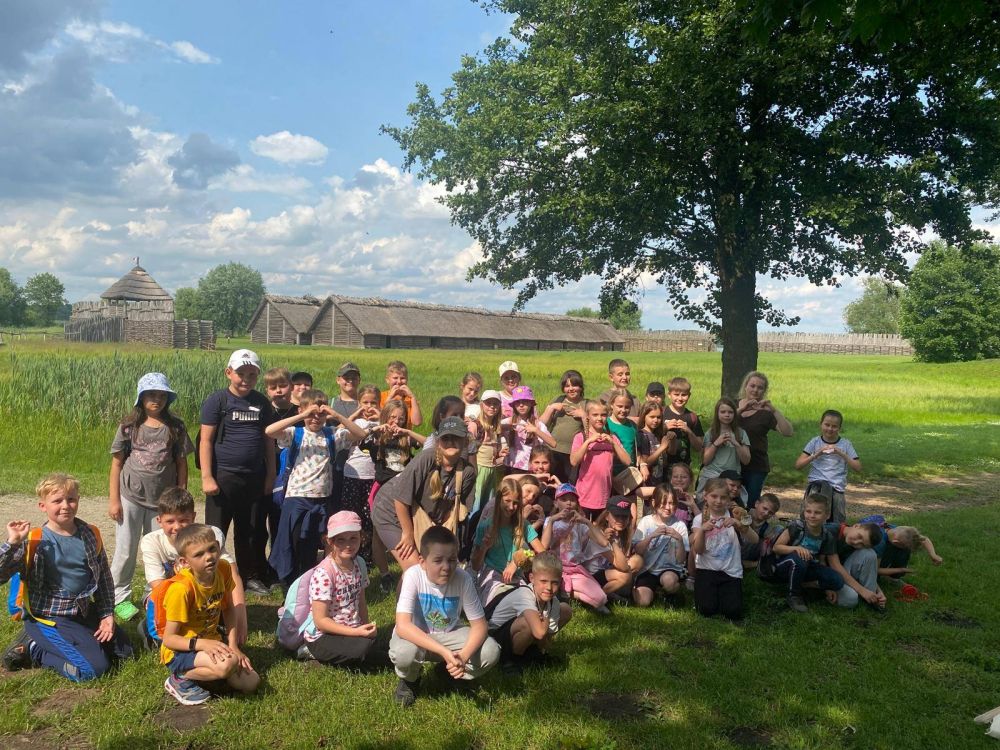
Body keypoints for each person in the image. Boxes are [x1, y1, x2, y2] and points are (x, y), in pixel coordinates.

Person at [1, 473, 133, 680]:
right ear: (42, 506)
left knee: (125, 654)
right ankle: (35, 649)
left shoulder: (90, 534)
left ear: (78, 500)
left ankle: (78, 639)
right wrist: (12, 543)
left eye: (71, 499)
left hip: (82, 611)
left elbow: (104, 580)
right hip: (49, 617)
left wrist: (106, 615)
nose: (65, 506)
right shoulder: (34, 541)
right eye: (57, 501)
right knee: (93, 670)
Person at [108, 372, 194, 621]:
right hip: (130, 496)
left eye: (162, 395)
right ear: (141, 397)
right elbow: (116, 464)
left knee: (161, 548)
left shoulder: (176, 427)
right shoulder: (129, 427)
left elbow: (182, 463)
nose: (157, 400)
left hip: (163, 502)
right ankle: (119, 597)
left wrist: (181, 495)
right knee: (126, 549)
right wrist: (114, 500)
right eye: (151, 395)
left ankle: (153, 595)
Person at [389, 526, 500, 707]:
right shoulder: (413, 575)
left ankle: (449, 672)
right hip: (417, 636)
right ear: (422, 562)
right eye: (438, 560)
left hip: (449, 633)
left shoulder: (463, 578)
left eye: (452, 560)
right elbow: (403, 626)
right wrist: (443, 652)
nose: (446, 567)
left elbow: (480, 626)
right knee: (404, 653)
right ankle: (410, 679)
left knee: (491, 650)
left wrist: (463, 656)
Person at [265, 389, 366, 587]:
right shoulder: (295, 434)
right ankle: (290, 586)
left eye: (320, 414)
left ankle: (309, 585)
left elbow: (360, 434)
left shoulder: (332, 435)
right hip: (297, 499)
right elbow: (269, 431)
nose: (315, 419)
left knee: (311, 547)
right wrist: (302, 415)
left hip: (321, 501)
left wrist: (335, 415)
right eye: (311, 414)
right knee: (292, 545)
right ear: (302, 411)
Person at [199, 349, 277, 596]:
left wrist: (270, 475)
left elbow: (269, 442)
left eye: (252, 374)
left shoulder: (261, 402)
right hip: (223, 477)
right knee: (215, 532)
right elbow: (206, 441)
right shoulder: (217, 401)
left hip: (254, 477)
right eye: (241, 373)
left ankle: (248, 576)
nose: (246, 379)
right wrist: (207, 476)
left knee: (250, 530)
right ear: (228, 373)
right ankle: (212, 577)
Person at [159, 524, 259, 705]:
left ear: (218, 547)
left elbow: (228, 608)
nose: (209, 557)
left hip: (211, 641)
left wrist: (233, 645)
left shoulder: (223, 569)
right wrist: (203, 644)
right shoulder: (181, 589)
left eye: (212, 549)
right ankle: (179, 677)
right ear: (184, 561)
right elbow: (169, 640)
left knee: (251, 682)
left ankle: (212, 675)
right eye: (198, 554)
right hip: (180, 650)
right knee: (227, 665)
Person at [139, 488, 246, 649]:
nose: (177, 527)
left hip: (204, 592)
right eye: (170, 521)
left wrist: (241, 618)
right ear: (159, 521)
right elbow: (158, 586)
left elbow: (231, 574)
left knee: (217, 609)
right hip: (166, 595)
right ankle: (155, 632)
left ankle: (202, 630)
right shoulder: (152, 541)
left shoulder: (209, 534)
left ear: (194, 517)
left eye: (183, 520)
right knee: (171, 618)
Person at [372, 416, 477, 571]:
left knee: (431, 567)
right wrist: (408, 534)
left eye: (456, 438)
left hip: (420, 515)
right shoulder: (427, 458)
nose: (450, 442)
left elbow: (454, 510)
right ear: (438, 441)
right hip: (390, 508)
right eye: (446, 438)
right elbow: (400, 498)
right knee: (415, 570)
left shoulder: (467, 472)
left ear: (466, 441)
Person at [294, 511, 377, 666]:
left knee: (373, 646)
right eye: (341, 540)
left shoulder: (360, 564)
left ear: (361, 537)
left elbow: (361, 600)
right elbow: (321, 621)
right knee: (361, 651)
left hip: (352, 629)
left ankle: (360, 649)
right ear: (330, 541)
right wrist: (356, 632)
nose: (348, 545)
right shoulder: (324, 574)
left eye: (353, 538)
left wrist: (366, 628)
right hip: (324, 635)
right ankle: (310, 651)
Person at [359, 398, 425, 589]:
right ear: (385, 417)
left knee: (407, 527)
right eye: (392, 417)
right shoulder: (377, 438)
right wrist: (375, 429)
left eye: (401, 419)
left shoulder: (406, 438)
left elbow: (429, 443)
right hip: (381, 489)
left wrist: (408, 432)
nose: (396, 422)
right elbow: (359, 441)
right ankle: (385, 573)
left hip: (405, 490)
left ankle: (408, 564)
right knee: (378, 534)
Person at [485, 552, 572, 675]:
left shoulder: (553, 602)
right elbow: (540, 633)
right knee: (528, 624)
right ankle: (510, 661)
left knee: (565, 610)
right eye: (543, 581)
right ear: (532, 578)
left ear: (560, 582)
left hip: (521, 632)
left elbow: (545, 641)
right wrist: (545, 622)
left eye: (555, 582)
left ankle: (531, 654)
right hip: (495, 638)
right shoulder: (524, 595)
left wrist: (542, 642)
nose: (549, 587)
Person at [471, 477, 546, 604]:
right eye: (507, 501)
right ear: (499, 499)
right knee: (504, 600)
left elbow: (543, 554)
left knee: (526, 602)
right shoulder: (485, 526)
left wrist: (518, 560)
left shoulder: (523, 525)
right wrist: (484, 547)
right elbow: (475, 566)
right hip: (493, 576)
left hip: (516, 577)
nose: (511, 507)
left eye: (516, 502)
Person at [690, 477, 757, 620]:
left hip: (730, 570)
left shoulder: (735, 514)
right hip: (706, 569)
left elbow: (755, 540)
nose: (718, 501)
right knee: (706, 610)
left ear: (729, 499)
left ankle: (725, 596)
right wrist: (702, 531)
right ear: (705, 496)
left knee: (732, 612)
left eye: (723, 497)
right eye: (714, 496)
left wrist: (738, 525)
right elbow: (699, 550)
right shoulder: (700, 519)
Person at [540, 484, 612, 614]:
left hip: (574, 569)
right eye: (564, 499)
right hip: (555, 569)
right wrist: (552, 521)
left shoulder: (580, 524)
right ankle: (565, 592)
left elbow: (603, 542)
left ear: (577, 504)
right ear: (556, 503)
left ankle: (570, 593)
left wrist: (587, 522)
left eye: (572, 500)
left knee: (601, 598)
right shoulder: (550, 521)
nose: (568, 503)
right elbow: (543, 546)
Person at [770, 493, 845, 613]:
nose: (812, 516)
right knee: (800, 558)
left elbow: (821, 561)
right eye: (808, 511)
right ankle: (794, 595)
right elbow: (776, 548)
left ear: (827, 515)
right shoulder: (796, 527)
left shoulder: (827, 536)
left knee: (837, 580)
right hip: (786, 564)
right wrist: (796, 549)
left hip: (810, 567)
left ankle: (803, 585)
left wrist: (827, 586)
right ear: (804, 512)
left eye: (817, 513)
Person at [337, 385, 383, 567]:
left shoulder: (381, 422)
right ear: (358, 403)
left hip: (372, 476)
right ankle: (349, 553)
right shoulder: (356, 422)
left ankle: (367, 556)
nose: (369, 406)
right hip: (353, 474)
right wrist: (355, 414)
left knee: (369, 517)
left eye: (373, 403)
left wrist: (380, 416)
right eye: (365, 402)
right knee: (351, 515)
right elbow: (338, 430)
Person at [736, 371, 794, 507]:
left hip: (756, 465)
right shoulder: (733, 405)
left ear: (764, 391)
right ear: (745, 386)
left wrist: (774, 411)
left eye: (760, 387)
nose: (755, 390)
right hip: (733, 462)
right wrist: (741, 409)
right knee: (732, 502)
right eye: (752, 386)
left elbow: (788, 432)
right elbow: (720, 424)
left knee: (750, 504)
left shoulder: (766, 412)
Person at [795, 409, 862, 523]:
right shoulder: (815, 442)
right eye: (827, 425)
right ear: (821, 424)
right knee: (809, 517)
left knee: (837, 520)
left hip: (836, 486)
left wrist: (841, 453)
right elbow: (798, 465)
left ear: (839, 428)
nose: (830, 429)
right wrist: (816, 454)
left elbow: (858, 467)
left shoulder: (846, 444)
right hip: (816, 484)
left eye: (834, 426)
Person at [570, 400, 631, 520]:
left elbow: (627, 461)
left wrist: (613, 443)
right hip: (584, 496)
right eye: (595, 415)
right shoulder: (581, 437)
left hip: (604, 497)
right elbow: (574, 461)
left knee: (600, 529)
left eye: (603, 415)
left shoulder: (612, 437)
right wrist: (588, 442)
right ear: (588, 416)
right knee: (583, 527)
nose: (599, 418)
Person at [631, 485, 689, 607]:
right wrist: (651, 536)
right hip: (648, 569)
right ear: (654, 503)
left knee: (669, 582)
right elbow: (638, 550)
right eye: (663, 503)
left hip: (669, 569)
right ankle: (653, 591)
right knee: (643, 602)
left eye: (671, 503)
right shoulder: (646, 522)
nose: (668, 507)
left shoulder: (680, 525)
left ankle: (672, 590)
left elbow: (681, 560)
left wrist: (679, 539)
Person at [264, 367, 297, 550]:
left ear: (291, 386)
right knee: (273, 517)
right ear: (267, 390)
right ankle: (275, 557)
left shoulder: (299, 413)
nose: (278, 391)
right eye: (273, 387)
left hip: (296, 473)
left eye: (282, 386)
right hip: (270, 470)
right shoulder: (265, 412)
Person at [696, 398, 750, 495]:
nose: (727, 415)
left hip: (732, 477)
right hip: (712, 475)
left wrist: (736, 443)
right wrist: (716, 444)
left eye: (730, 412)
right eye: (723, 412)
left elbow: (746, 460)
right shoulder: (711, 433)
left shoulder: (741, 433)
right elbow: (705, 460)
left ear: (734, 414)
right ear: (717, 414)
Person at [539, 369, 585, 483]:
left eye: (574, 385)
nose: (571, 389)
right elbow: (541, 424)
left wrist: (584, 416)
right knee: (550, 481)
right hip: (552, 450)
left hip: (572, 453)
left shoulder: (586, 404)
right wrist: (551, 408)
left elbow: (591, 430)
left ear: (581, 387)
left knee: (569, 483)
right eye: (567, 386)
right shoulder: (558, 400)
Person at [588, 499, 636, 606]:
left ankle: (607, 596)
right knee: (625, 576)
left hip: (606, 572)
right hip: (590, 575)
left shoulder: (622, 535)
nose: (621, 520)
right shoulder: (598, 533)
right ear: (606, 516)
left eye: (624, 517)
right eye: (617, 516)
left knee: (637, 561)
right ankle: (596, 597)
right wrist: (612, 542)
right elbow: (624, 567)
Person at [832, 521, 887, 610]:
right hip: (827, 575)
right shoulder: (832, 531)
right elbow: (835, 565)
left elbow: (870, 572)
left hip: (842, 573)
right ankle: (866, 595)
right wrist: (862, 591)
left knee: (870, 554)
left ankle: (873, 597)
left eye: (862, 544)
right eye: (860, 536)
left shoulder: (853, 543)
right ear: (856, 526)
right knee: (851, 599)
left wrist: (878, 592)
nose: (856, 542)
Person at [501, 386, 557, 472]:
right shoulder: (508, 422)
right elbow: (493, 432)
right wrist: (504, 427)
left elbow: (553, 443)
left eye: (525, 401)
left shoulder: (538, 424)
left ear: (531, 404)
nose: (521, 405)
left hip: (530, 468)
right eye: (517, 402)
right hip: (510, 466)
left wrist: (536, 430)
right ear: (514, 405)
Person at [469, 390, 506, 519]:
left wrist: (500, 454)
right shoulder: (476, 426)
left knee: (488, 505)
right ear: (481, 405)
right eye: (488, 403)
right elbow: (469, 449)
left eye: (495, 404)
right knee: (475, 503)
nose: (492, 406)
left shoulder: (495, 426)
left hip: (492, 470)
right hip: (479, 469)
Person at [663, 377, 704, 469]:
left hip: (683, 465)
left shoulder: (692, 417)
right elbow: (648, 434)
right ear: (669, 395)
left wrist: (689, 431)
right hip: (662, 465)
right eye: (676, 394)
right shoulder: (662, 412)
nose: (680, 398)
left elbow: (699, 447)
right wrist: (664, 427)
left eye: (684, 395)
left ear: (689, 395)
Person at [638, 400, 673, 490]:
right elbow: (646, 462)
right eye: (652, 417)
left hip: (658, 481)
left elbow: (664, 462)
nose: (656, 420)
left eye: (658, 417)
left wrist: (671, 441)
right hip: (646, 483)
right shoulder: (642, 435)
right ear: (644, 416)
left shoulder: (657, 435)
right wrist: (662, 447)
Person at [740, 492, 781, 569]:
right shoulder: (744, 513)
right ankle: (755, 564)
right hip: (735, 549)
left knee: (779, 529)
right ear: (757, 504)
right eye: (765, 508)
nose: (766, 513)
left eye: (770, 513)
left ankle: (756, 563)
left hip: (750, 553)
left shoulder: (767, 527)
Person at [381, 360, 423, 427]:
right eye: (395, 378)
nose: (399, 382)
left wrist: (412, 397)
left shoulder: (411, 400)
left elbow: (417, 422)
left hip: (404, 433)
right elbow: (380, 419)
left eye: (402, 378)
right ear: (387, 380)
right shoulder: (381, 396)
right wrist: (390, 397)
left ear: (407, 380)